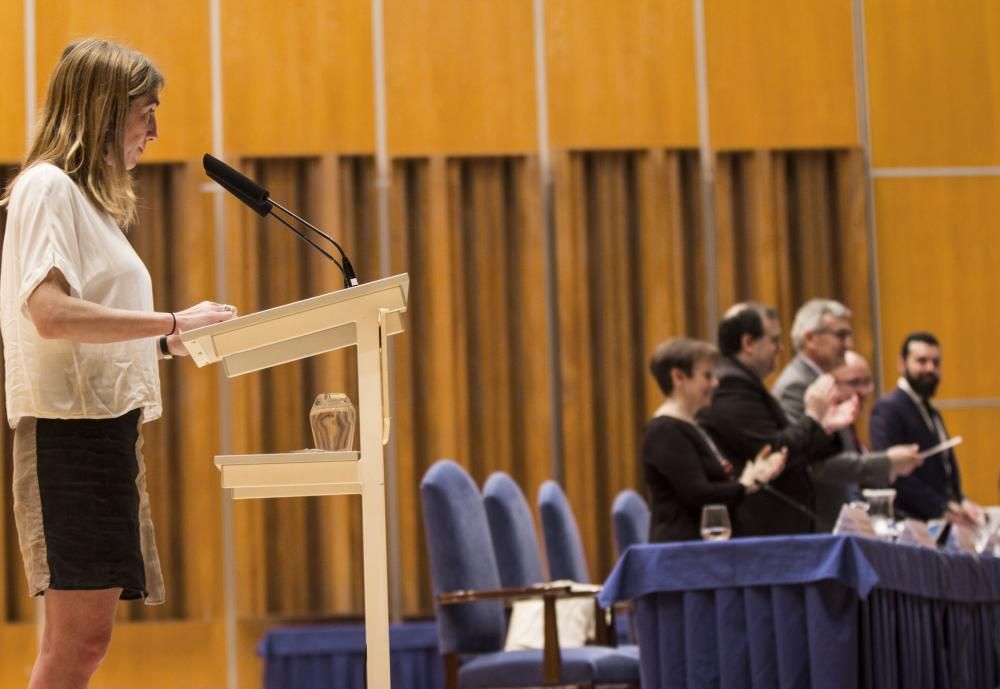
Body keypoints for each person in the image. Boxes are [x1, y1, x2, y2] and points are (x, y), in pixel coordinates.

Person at [0, 39, 237, 688]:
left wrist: (166, 344)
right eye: (146, 111)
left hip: (101, 430)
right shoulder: (47, 186)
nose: (156, 131)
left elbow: (84, 329)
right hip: (65, 435)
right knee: (75, 643)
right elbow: (49, 311)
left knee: (86, 640)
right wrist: (169, 321)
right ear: (105, 110)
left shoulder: (91, 204)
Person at [696, 302, 857, 535]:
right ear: (748, 343)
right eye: (774, 340)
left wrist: (824, 427)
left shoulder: (744, 382)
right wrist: (812, 417)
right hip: (759, 527)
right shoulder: (730, 385)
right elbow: (772, 451)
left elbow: (792, 448)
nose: (781, 348)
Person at [771, 300, 921, 532]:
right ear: (810, 338)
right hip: (815, 523)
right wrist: (887, 461)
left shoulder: (820, 379)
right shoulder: (797, 384)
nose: (849, 344)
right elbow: (813, 463)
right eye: (841, 335)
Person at [642, 337, 786, 542]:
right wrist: (746, 485)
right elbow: (700, 496)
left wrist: (754, 473)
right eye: (707, 376)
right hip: (684, 554)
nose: (715, 383)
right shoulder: (665, 431)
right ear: (678, 377)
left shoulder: (692, 424)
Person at [870, 333, 982, 525]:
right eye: (922, 361)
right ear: (901, 363)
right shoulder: (888, 408)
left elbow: (942, 468)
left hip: (938, 524)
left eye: (936, 362)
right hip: (910, 524)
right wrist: (941, 506)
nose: (930, 368)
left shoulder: (930, 410)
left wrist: (961, 500)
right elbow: (892, 473)